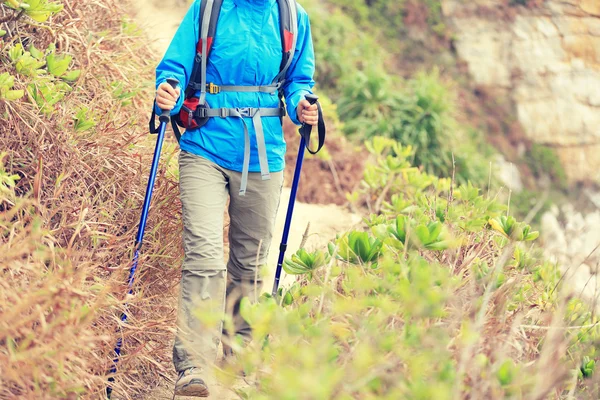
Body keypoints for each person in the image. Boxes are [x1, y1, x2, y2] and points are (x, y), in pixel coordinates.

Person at [154, 0, 318, 397]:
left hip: (265, 154)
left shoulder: (293, 18)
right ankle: (192, 363)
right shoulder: (208, 8)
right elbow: (175, 67)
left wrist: (302, 105)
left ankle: (237, 357)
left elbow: (298, 80)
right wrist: (169, 91)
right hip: (204, 146)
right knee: (204, 257)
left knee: (251, 262)